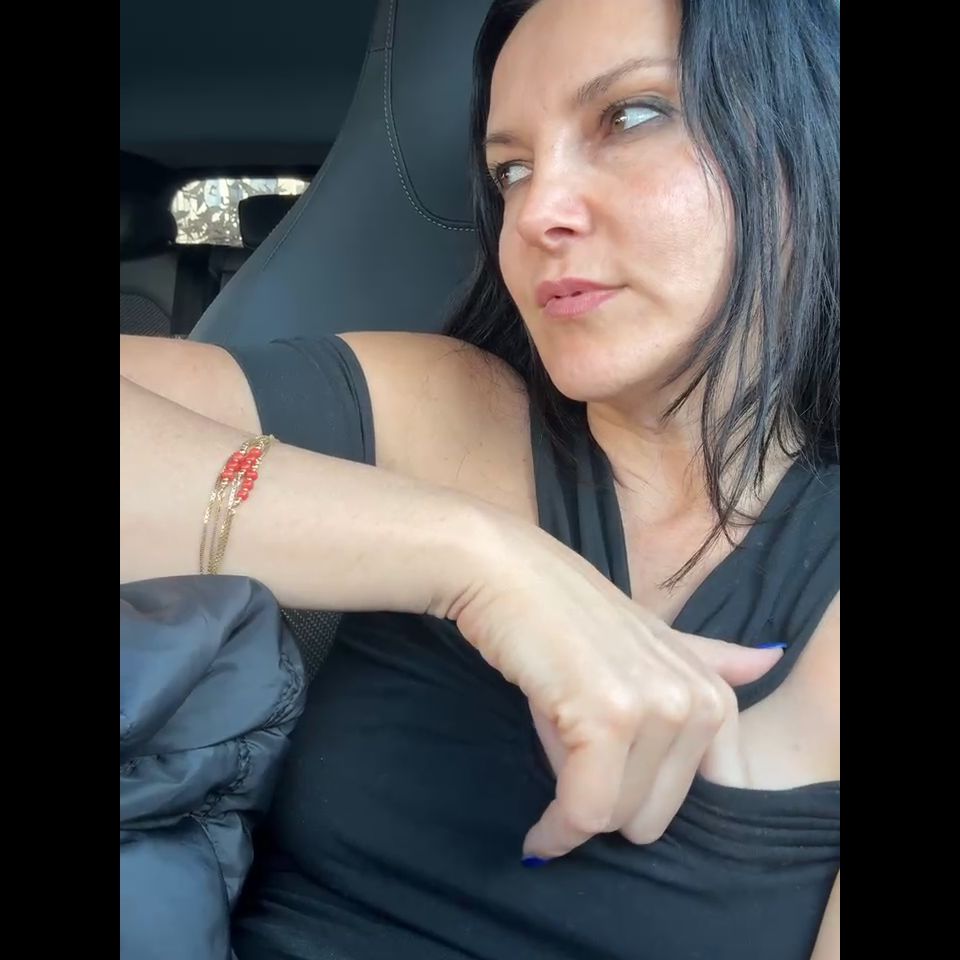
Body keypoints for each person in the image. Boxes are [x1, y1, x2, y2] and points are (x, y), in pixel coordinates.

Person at [119, 0, 840, 956]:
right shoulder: (443, 404)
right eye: (511, 170)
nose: (535, 213)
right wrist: (476, 559)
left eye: (629, 117)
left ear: (806, 136)